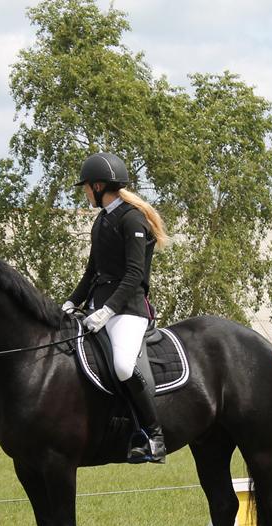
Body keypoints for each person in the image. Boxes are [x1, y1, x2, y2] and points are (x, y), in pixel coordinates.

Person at [64, 152, 170, 464]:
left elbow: (135, 274)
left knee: (123, 366)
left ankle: (154, 435)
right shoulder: (102, 221)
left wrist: (108, 310)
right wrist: (70, 303)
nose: (85, 192)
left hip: (129, 310)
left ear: (98, 186)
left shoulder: (132, 219)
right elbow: (91, 273)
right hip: (98, 307)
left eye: (86, 187)